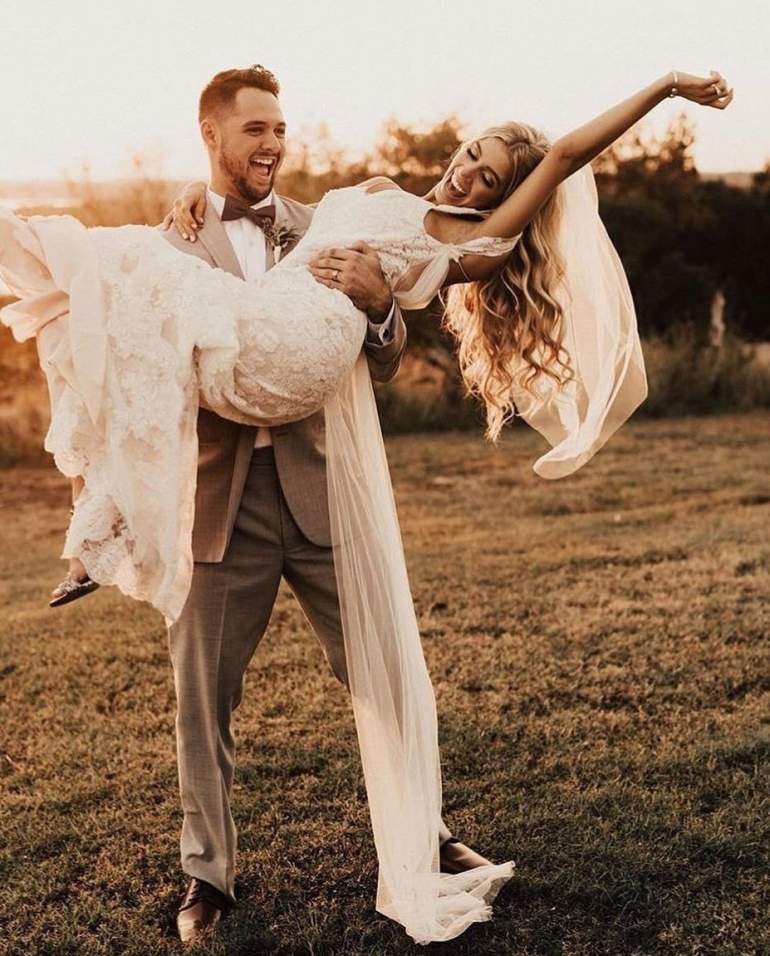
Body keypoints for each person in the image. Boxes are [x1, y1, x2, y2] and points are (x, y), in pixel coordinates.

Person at [0, 65, 732, 945]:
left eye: (281, 130)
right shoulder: (180, 228)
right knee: (203, 700)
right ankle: (207, 875)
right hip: (221, 502)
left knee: (387, 675)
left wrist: (383, 307)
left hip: (321, 495)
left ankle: (428, 832)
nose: (273, 144)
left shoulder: (331, 222)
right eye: (256, 130)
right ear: (213, 136)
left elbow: (384, 353)